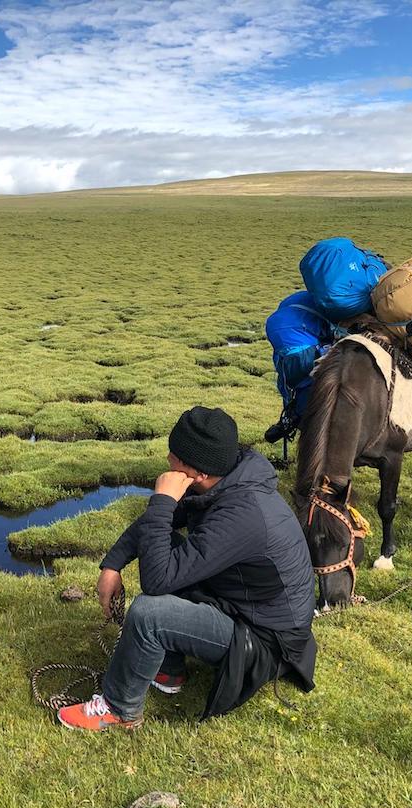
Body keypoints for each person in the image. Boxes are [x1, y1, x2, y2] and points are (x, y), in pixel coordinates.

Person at [57, 406, 316, 731]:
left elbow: (156, 581)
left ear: (199, 473)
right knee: (166, 547)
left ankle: (118, 709)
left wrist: (163, 500)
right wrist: (112, 564)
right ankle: (168, 670)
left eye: (175, 456)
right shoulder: (224, 482)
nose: (167, 459)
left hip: (266, 641)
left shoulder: (242, 515)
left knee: (149, 614)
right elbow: (155, 529)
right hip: (244, 603)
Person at [263, 290, 342, 443]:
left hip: (279, 332)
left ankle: (289, 418)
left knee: (290, 379)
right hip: (299, 341)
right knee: (308, 383)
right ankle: (310, 430)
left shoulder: (313, 295)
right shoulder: (344, 305)